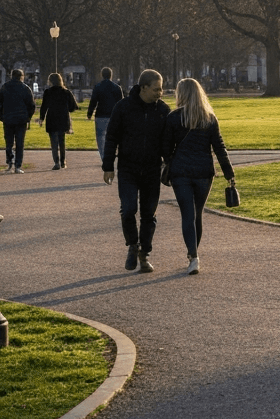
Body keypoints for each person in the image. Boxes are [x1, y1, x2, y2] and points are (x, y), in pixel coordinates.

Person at [162, 78, 235, 275]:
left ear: (181, 94)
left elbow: (166, 148)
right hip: (204, 172)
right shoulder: (209, 118)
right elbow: (219, 148)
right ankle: (193, 254)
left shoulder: (174, 118)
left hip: (181, 172)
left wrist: (170, 159)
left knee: (187, 214)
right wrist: (229, 174)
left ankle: (193, 256)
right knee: (197, 214)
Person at [102, 69, 171, 273]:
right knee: (129, 209)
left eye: (161, 89)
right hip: (128, 168)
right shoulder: (123, 107)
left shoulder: (163, 110)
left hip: (152, 169)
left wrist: (170, 164)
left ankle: (144, 254)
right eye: (157, 89)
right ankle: (133, 245)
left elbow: (168, 142)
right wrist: (107, 167)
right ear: (143, 88)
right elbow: (111, 137)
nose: (161, 92)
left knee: (149, 215)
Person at [0, 68, 35, 173]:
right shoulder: (25, 88)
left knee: (9, 142)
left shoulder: (5, 87)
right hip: (21, 120)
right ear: (21, 76)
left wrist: (1, 117)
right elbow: (31, 105)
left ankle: (9, 162)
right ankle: (18, 165)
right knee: (20, 143)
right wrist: (28, 117)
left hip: (8, 119)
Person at [39, 72, 78, 170]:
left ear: (50, 81)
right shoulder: (66, 92)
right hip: (63, 118)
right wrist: (67, 109)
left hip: (52, 118)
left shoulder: (48, 92)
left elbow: (44, 107)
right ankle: (63, 161)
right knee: (62, 141)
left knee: (54, 142)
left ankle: (56, 161)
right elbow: (73, 107)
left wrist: (41, 118)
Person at [87, 66, 123, 159]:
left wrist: (89, 113)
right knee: (114, 136)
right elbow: (121, 103)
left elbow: (93, 101)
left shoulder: (98, 87)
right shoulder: (117, 87)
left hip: (101, 115)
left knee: (100, 137)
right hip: (113, 115)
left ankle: (104, 156)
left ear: (102, 75)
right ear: (111, 75)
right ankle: (113, 152)